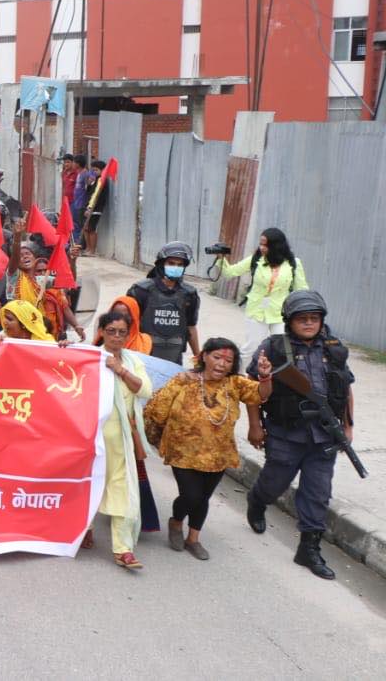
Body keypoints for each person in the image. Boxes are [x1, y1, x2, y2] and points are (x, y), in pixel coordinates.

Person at [244, 291, 356, 580]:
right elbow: (252, 388)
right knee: (274, 484)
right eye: (302, 318)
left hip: (324, 436)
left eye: (314, 318)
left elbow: (345, 388)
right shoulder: (273, 347)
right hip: (286, 433)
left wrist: (347, 426)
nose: (308, 323)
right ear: (289, 321)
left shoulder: (333, 348)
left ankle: (309, 548)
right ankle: (257, 501)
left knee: (318, 492)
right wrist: (254, 425)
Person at [145, 338, 271, 561]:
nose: (222, 364)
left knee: (203, 497)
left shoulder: (234, 383)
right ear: (204, 356)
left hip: (218, 453)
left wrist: (265, 376)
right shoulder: (184, 380)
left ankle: (193, 539)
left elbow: (261, 394)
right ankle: (176, 522)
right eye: (217, 357)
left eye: (228, 361)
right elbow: (157, 411)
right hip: (182, 451)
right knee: (191, 495)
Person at [88, 310, 153, 569]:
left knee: (123, 490)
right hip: (93, 438)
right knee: (89, 485)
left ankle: (122, 549)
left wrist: (120, 370)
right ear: (101, 332)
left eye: (122, 332)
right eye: (111, 331)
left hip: (122, 439)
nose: (116, 337)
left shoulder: (133, 361)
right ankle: (84, 529)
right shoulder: (89, 357)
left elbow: (145, 390)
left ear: (128, 335)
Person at [215, 228, 308, 361]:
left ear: (276, 246)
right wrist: (221, 259)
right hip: (256, 311)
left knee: (282, 349)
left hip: (281, 313)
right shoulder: (256, 259)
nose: (261, 247)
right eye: (260, 244)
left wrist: (303, 312)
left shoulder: (294, 263)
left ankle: (275, 374)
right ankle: (243, 373)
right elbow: (230, 273)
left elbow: (302, 289)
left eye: (265, 245)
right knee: (252, 349)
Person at [127, 241, 201, 364]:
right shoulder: (141, 290)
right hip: (143, 356)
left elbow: (191, 327)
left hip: (174, 357)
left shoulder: (189, 294)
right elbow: (127, 325)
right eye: (171, 263)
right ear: (161, 264)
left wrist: (198, 357)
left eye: (180, 265)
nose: (176, 267)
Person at [83, 160, 109, 254]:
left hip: (96, 208)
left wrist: (90, 208)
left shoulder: (102, 180)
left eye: (96, 170)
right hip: (89, 206)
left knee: (91, 229)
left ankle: (92, 250)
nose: (94, 172)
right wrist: (89, 184)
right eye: (93, 170)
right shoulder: (95, 180)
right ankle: (88, 248)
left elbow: (96, 195)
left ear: (102, 170)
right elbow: (89, 193)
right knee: (85, 228)